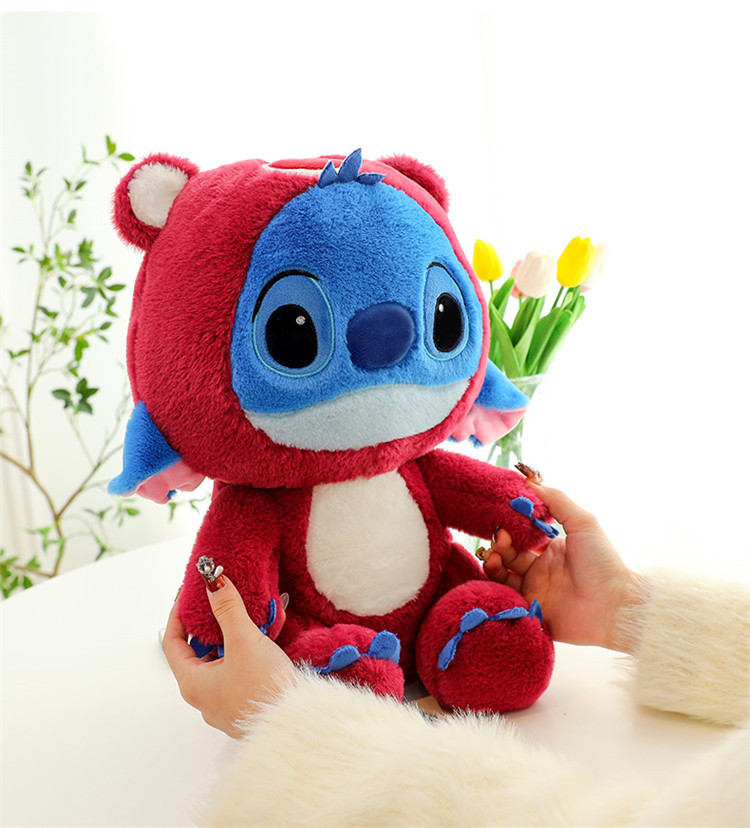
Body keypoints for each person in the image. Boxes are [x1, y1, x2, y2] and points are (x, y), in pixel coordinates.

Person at [163, 483, 749, 826]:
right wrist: (625, 610)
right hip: (318, 624)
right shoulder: (257, 498)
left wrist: (293, 720)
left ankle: (467, 640)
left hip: (410, 626)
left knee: (489, 633)